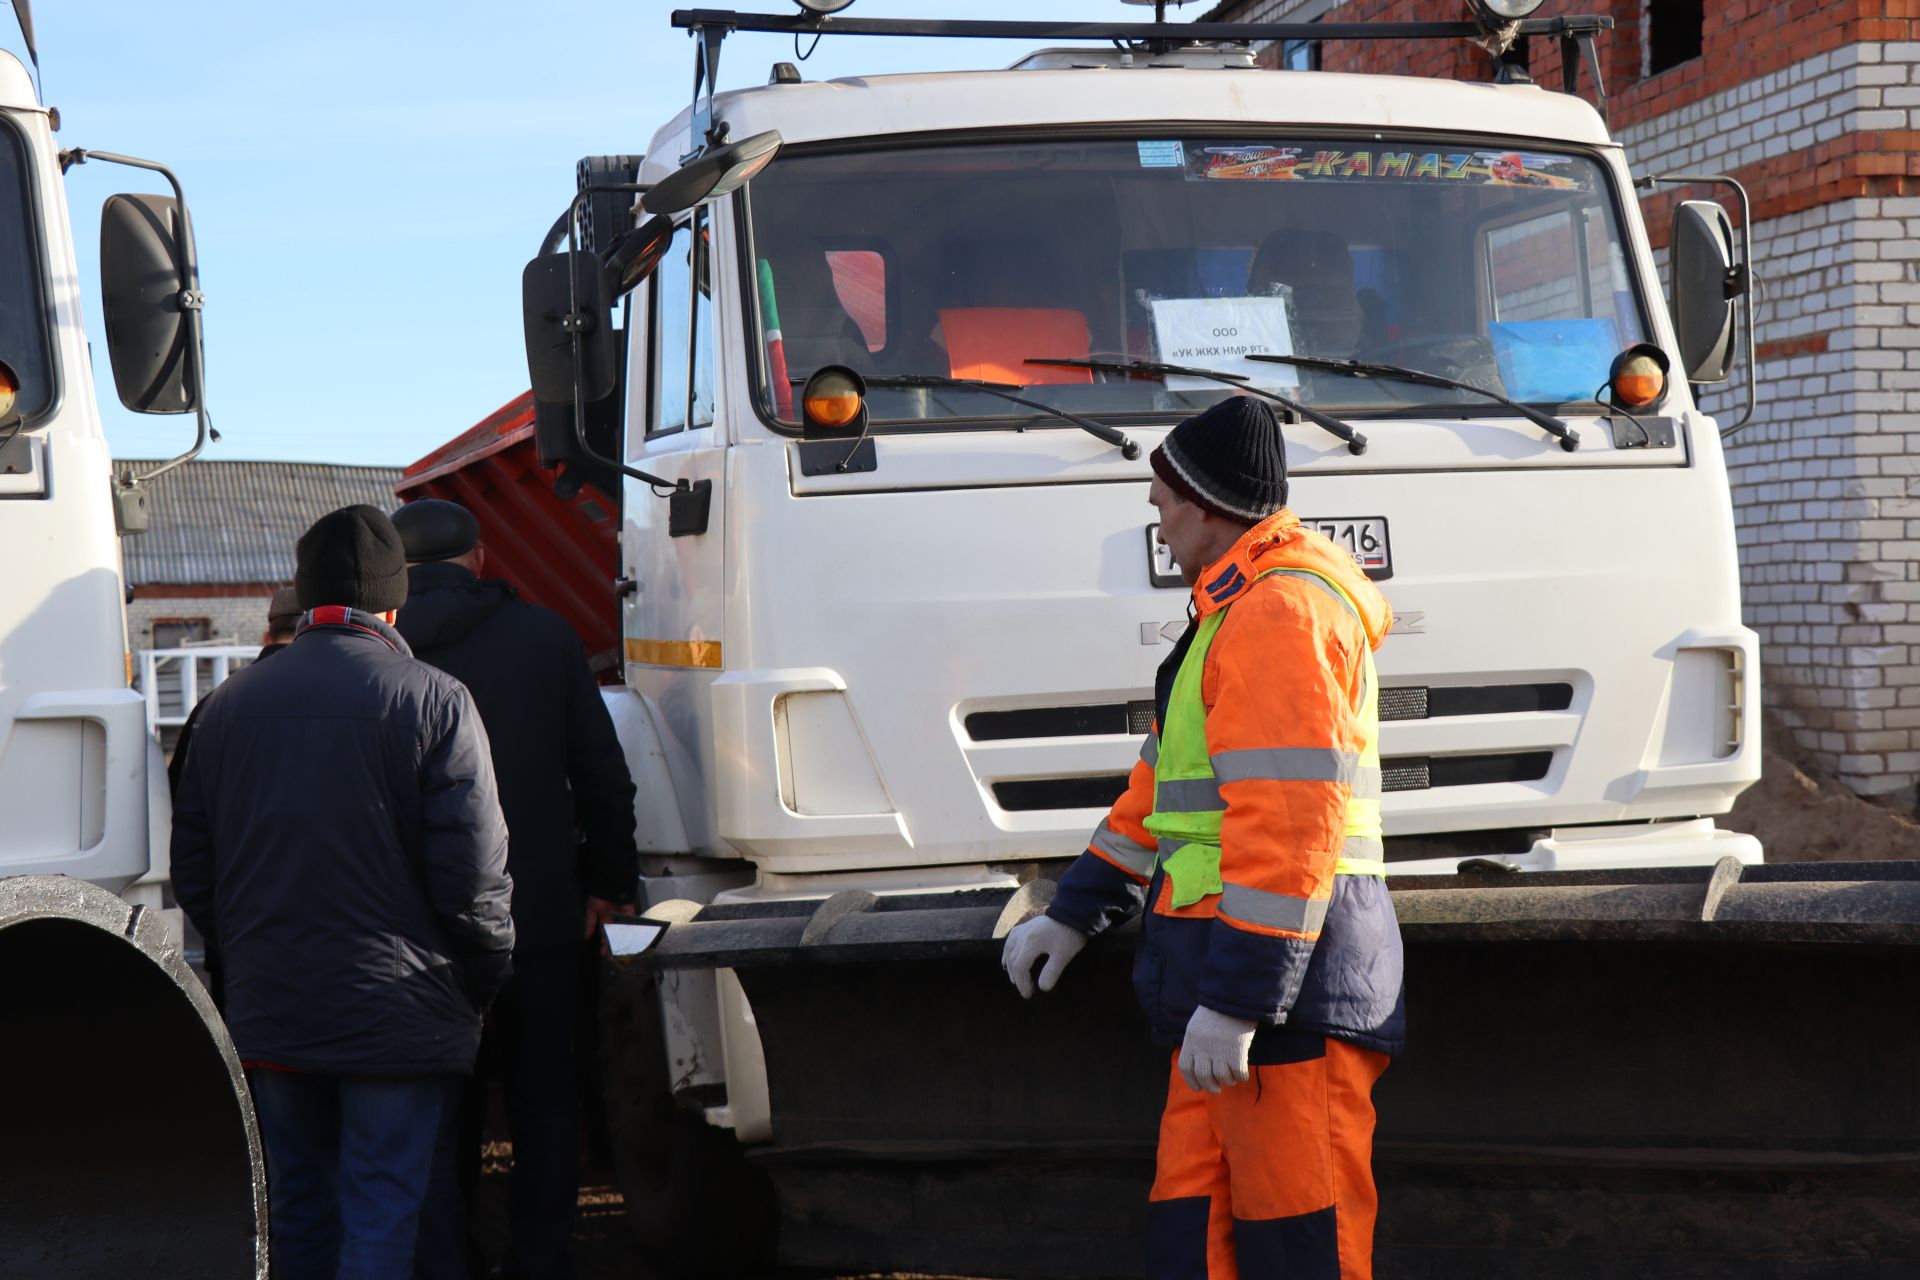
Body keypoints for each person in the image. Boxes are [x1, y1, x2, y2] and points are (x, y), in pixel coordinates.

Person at [1000, 396, 1404, 1279]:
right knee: (1201, 1230)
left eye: (1162, 503)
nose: (1157, 521)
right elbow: (1165, 792)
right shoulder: (1237, 611)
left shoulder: (1277, 614)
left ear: (1208, 503)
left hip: (1277, 994)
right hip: (1234, 984)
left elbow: (1292, 824)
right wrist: (1075, 910)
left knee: (1301, 1245)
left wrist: (1242, 999)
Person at [170, 504, 515, 1280]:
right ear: (393, 605)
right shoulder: (436, 701)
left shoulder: (224, 710)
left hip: (274, 1010)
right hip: (398, 1017)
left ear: (306, 595)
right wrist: (481, 979)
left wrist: (252, 955)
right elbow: (475, 880)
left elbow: (194, 870)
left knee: (296, 1212)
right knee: (383, 1213)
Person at [390, 497, 639, 1280]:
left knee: (440, 1107)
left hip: (419, 933)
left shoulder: (384, 655)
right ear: (482, 559)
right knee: (544, 1096)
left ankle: (450, 1258)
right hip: (538, 915)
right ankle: (540, 1258)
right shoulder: (544, 637)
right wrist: (607, 881)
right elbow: (600, 773)